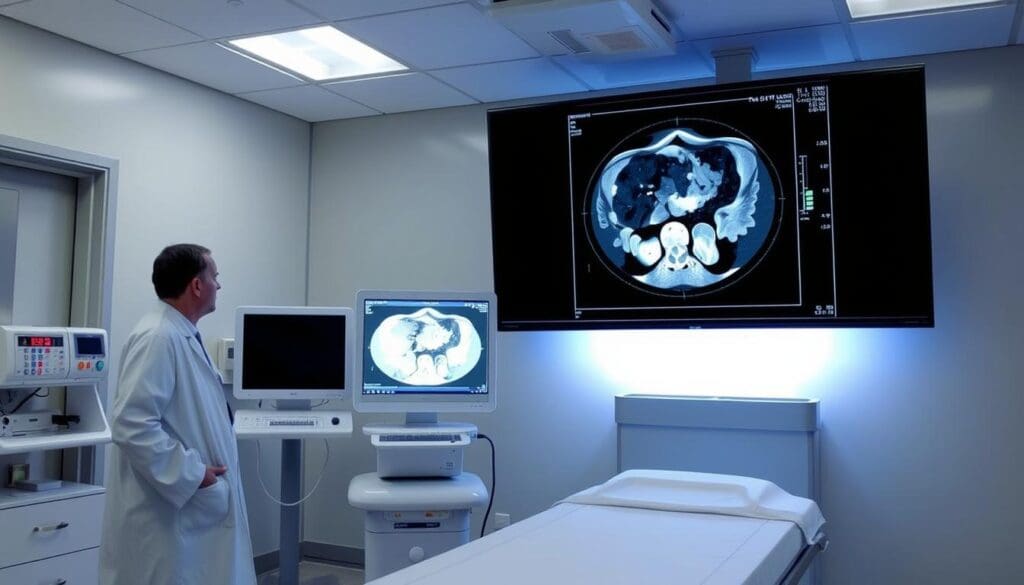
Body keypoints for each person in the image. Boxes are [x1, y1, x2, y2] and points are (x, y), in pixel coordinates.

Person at [99, 244, 256, 585]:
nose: (219, 285)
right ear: (197, 285)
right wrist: (193, 474)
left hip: (192, 512)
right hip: (172, 514)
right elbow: (131, 425)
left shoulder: (181, 333)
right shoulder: (158, 337)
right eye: (215, 277)